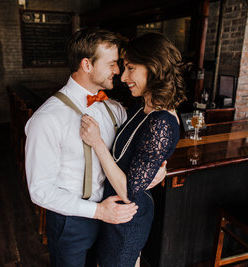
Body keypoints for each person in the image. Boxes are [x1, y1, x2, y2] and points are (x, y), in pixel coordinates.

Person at [24, 28, 166, 267]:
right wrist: (97, 212)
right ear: (87, 64)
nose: (118, 71)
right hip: (72, 221)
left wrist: (160, 168)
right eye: (112, 64)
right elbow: (39, 190)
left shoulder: (115, 108)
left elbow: (143, 145)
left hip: (114, 215)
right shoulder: (47, 119)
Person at [80, 32, 186, 267]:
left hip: (128, 219)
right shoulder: (143, 106)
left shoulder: (162, 121)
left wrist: (96, 143)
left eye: (131, 68)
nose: (123, 76)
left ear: (153, 68)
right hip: (114, 211)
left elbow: (129, 192)